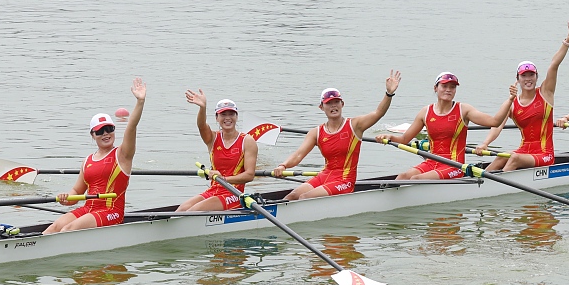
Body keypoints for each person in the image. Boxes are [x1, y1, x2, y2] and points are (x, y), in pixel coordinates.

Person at [273, 71, 402, 200]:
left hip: (345, 180)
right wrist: (283, 165)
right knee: (292, 196)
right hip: (325, 175)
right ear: (321, 107)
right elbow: (298, 155)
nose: (333, 105)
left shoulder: (355, 125)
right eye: (329, 103)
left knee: (305, 197)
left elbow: (378, 112)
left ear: (342, 104)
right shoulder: (316, 132)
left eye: (336, 102)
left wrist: (389, 93)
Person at [44, 78, 146, 234]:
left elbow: (131, 127)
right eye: (100, 131)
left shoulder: (123, 154)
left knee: (68, 229)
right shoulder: (87, 161)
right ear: (93, 135)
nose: (106, 134)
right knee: (54, 228)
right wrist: (66, 198)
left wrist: (140, 102)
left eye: (109, 129)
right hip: (88, 208)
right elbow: (77, 192)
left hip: (111, 211)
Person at [474, 23, 569, 171]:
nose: (528, 79)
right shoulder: (512, 103)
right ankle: (481, 184)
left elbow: (554, 65)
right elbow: (497, 126)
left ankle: (496, 186)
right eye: (524, 76)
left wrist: (567, 42)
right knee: (502, 156)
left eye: (531, 75)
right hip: (524, 151)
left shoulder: (545, 93)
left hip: (544, 154)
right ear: (518, 78)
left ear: (536, 77)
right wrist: (485, 144)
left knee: (514, 158)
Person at [381, 72, 515, 180]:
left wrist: (510, 99)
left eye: (452, 87)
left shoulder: (464, 110)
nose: (448, 90)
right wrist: (390, 137)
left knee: (417, 179)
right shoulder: (425, 112)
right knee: (402, 177)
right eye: (444, 86)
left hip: (454, 166)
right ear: (435, 88)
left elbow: (495, 122)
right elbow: (404, 140)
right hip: (432, 162)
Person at [177, 92, 257, 211]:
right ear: (217, 118)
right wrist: (202, 108)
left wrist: (224, 179)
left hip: (234, 194)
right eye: (223, 114)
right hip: (213, 190)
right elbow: (201, 125)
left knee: (191, 212)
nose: (227, 118)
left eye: (231, 114)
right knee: (181, 210)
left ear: (236, 116)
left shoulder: (247, 141)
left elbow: (250, 175)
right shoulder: (212, 138)